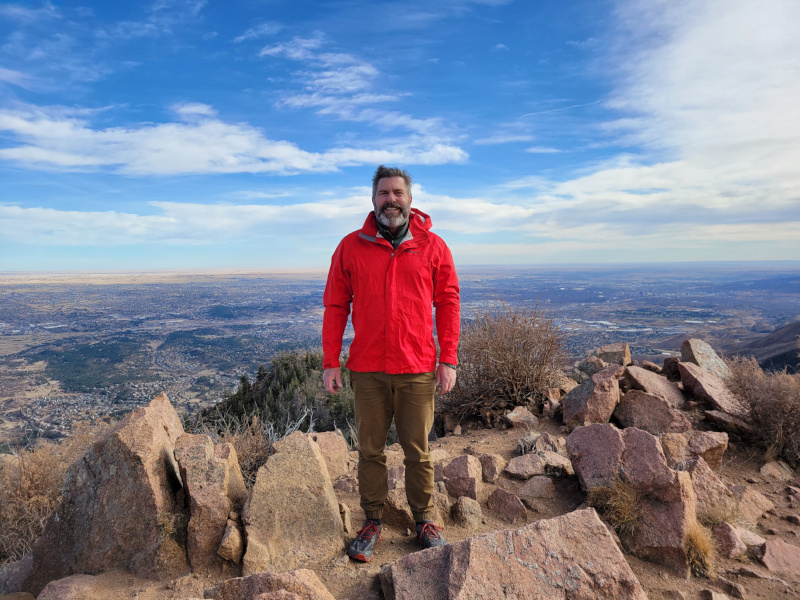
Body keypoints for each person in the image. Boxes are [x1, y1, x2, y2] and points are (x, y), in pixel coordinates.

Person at [322, 165, 460, 562]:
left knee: (418, 451)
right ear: (373, 199)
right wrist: (331, 361)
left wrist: (448, 359)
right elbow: (336, 305)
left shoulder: (433, 246)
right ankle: (372, 520)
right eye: (384, 193)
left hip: (417, 366)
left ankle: (424, 520)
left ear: (410, 199)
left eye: (398, 193)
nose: (391, 200)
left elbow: (448, 302)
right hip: (368, 368)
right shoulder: (350, 247)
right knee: (370, 451)